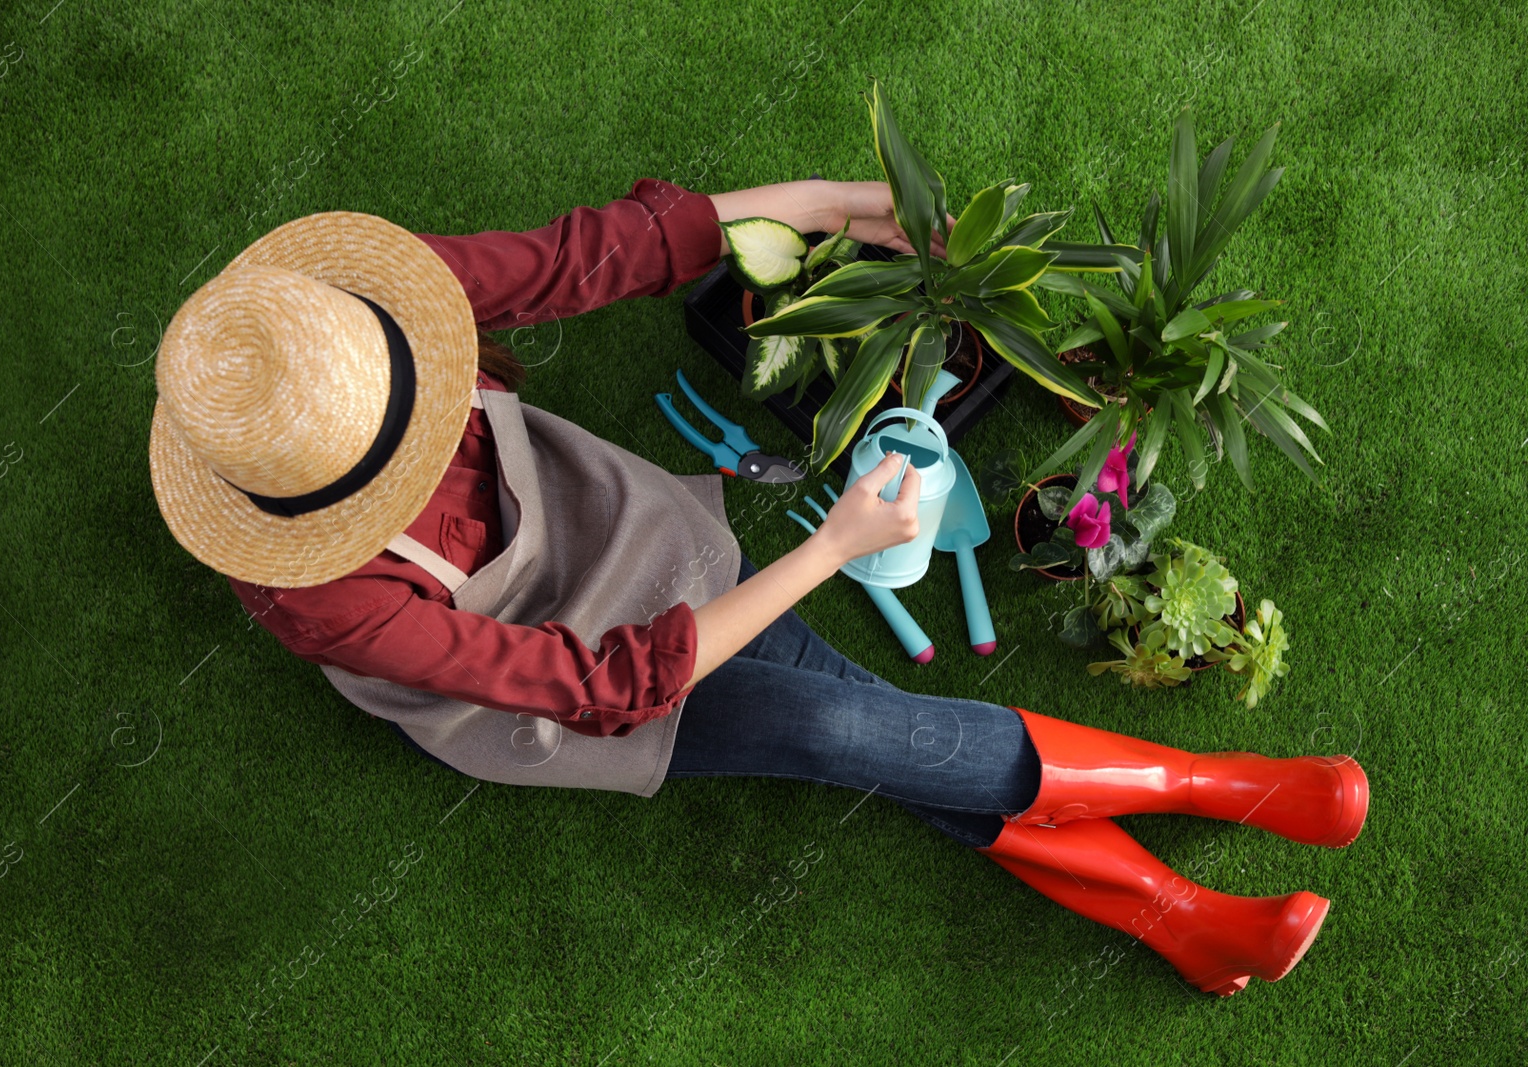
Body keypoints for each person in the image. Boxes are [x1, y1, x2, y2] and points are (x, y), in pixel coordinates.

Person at [147, 177, 1369, 997]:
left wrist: (848, 203)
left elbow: (603, 252)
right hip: (549, 690)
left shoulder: (359, 322)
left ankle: (1180, 911)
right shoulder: (320, 597)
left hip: (621, 536)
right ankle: (1222, 796)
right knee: (845, 726)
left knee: (873, 743)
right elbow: (598, 684)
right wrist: (830, 548)